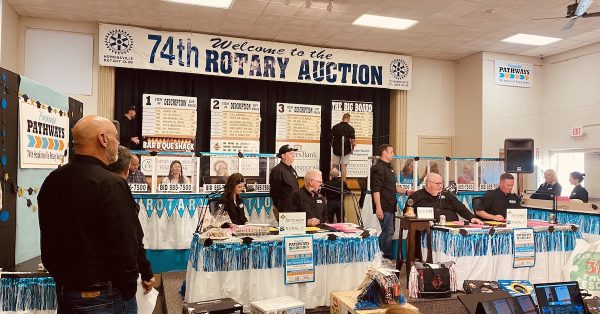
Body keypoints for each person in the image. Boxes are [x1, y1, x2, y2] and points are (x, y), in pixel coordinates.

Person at [38, 115, 151, 313]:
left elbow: (48, 236)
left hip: (66, 292)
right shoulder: (111, 184)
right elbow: (125, 242)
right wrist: (128, 288)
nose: (118, 143)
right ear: (103, 139)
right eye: (115, 137)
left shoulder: (52, 180)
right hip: (106, 296)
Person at [107, 145, 155, 294]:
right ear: (127, 169)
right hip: (116, 282)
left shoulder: (59, 178)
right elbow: (133, 237)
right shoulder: (120, 191)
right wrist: (146, 272)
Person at [371, 144, 411, 259]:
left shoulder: (389, 168)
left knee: (389, 231)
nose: (393, 154)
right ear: (384, 153)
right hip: (383, 206)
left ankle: (380, 255)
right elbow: (376, 190)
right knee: (388, 231)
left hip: (390, 205)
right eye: (391, 152)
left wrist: (407, 192)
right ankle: (383, 257)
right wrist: (378, 208)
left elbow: (393, 187)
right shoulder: (378, 168)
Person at [406, 173, 483, 224]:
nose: (441, 186)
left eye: (441, 183)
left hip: (451, 229)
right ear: (429, 184)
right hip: (426, 230)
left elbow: (460, 207)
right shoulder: (416, 196)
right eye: (437, 184)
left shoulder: (446, 194)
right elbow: (407, 215)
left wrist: (472, 218)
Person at [269, 144, 299, 213]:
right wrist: (280, 206)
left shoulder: (292, 170)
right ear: (283, 156)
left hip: (294, 206)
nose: (294, 155)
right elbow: (275, 192)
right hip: (284, 208)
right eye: (291, 154)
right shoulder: (277, 170)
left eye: (294, 153)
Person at [329, 113, 356, 181]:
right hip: (346, 150)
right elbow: (353, 141)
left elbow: (329, 136)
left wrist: (332, 144)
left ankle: (331, 183)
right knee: (344, 168)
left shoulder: (335, 127)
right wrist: (352, 149)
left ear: (342, 118)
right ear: (349, 119)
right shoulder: (351, 128)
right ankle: (343, 185)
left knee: (334, 167)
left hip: (336, 150)